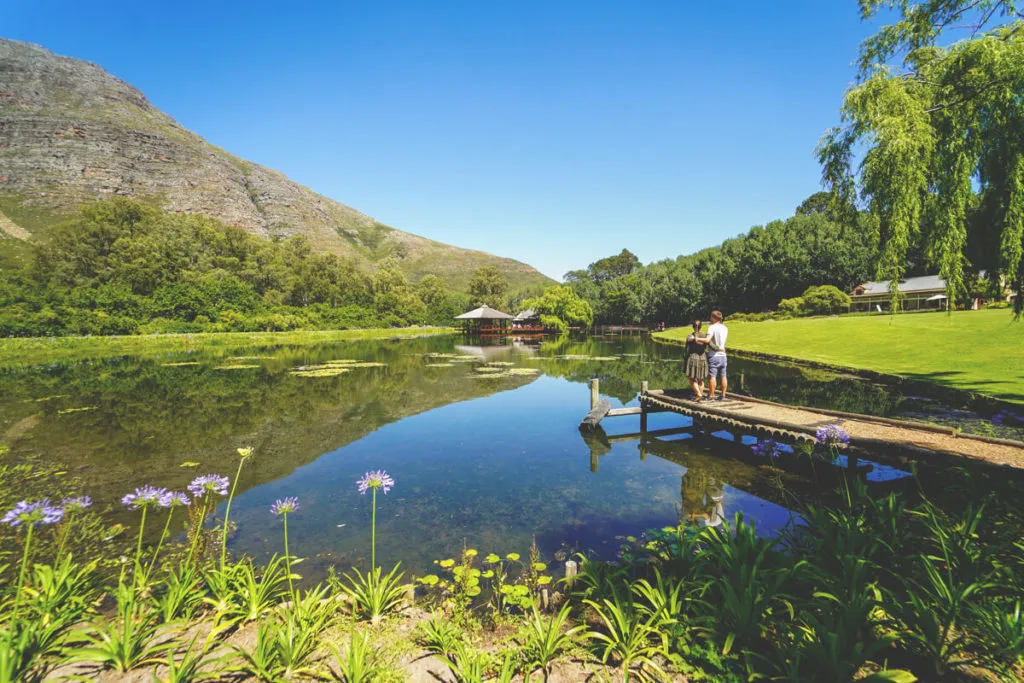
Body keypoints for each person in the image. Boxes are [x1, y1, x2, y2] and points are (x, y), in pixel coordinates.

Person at [684, 319, 710, 400]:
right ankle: (699, 395)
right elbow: (710, 345)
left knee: (691, 378)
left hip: (693, 358)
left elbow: (686, 347)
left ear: (693, 327)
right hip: (702, 358)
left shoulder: (690, 336)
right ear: (701, 327)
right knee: (700, 379)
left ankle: (698, 394)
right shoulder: (704, 337)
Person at [706, 310, 728, 400]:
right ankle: (723, 395)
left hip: (714, 355)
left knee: (712, 376)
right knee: (723, 375)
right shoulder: (725, 328)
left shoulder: (712, 328)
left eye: (711, 317)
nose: (710, 318)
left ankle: (711, 395)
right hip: (723, 355)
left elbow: (708, 340)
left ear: (714, 318)